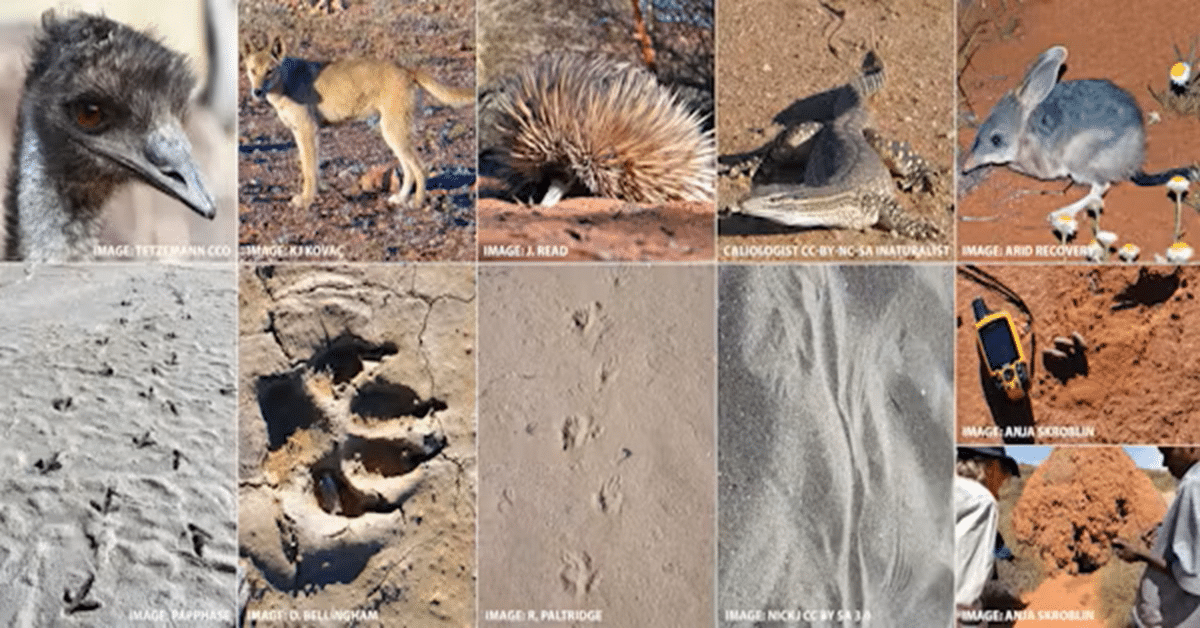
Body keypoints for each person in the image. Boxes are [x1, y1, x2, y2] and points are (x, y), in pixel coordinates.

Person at [1115, 447, 1200, 628]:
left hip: (1171, 619)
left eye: (1166, 453)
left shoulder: (1194, 485)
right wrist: (1164, 534)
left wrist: (1139, 554)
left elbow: (1192, 576)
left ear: (1191, 448)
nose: (1163, 463)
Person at [956, 446, 1020, 625]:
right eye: (1003, 473)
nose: (1003, 483)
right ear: (990, 468)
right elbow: (965, 593)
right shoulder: (981, 500)